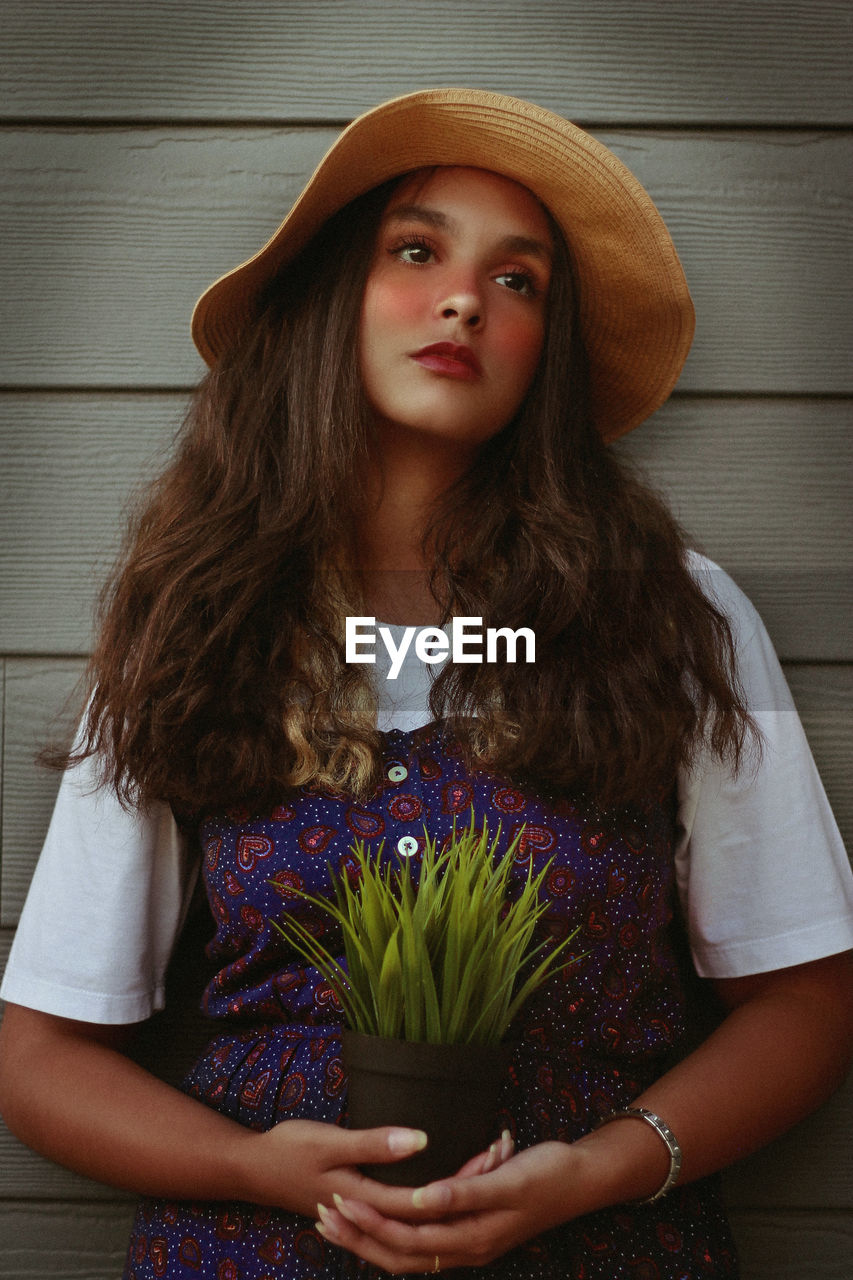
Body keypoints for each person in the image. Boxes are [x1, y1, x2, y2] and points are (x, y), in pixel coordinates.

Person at [0, 88, 852, 1280]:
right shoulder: (189, 628)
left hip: (599, 1247)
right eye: (416, 250)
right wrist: (252, 1166)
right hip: (253, 1250)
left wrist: (603, 1163)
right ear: (328, 302)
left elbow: (807, 1004)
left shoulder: (672, 612)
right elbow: (39, 1055)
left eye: (519, 281)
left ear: (543, 355)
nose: (464, 298)